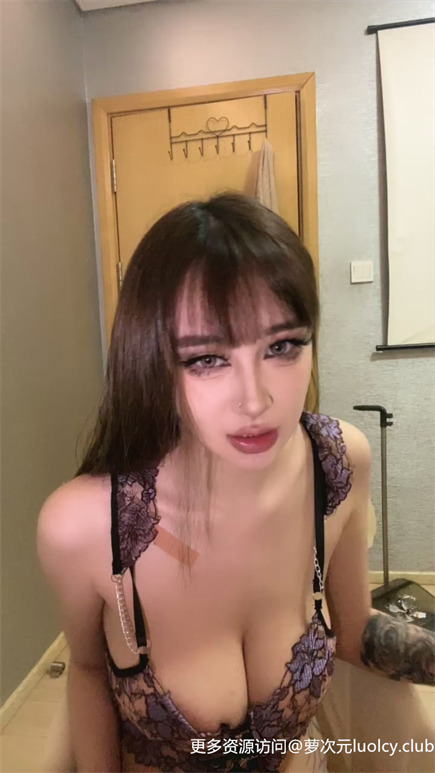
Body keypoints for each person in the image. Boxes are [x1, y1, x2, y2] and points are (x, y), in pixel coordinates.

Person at [37, 193, 434, 773]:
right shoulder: (83, 525)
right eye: (207, 358)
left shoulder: (338, 465)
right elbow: (90, 669)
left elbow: (352, 632)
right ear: (152, 360)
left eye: (282, 346)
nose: (255, 400)